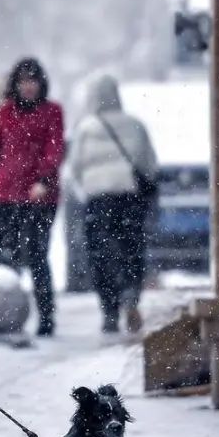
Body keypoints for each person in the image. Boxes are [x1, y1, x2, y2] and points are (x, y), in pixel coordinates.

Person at [0, 57, 65, 337]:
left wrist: (43, 179)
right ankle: (5, 314)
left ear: (41, 84)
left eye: (33, 81)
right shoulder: (4, 113)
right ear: (15, 85)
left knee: (37, 256)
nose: (28, 87)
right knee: (5, 258)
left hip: (39, 197)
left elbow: (55, 149)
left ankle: (46, 315)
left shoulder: (52, 112)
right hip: (7, 193)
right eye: (23, 81)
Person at [67, 75, 157, 333]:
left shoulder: (85, 128)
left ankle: (108, 309)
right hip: (129, 197)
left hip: (98, 200)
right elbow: (148, 164)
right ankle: (131, 295)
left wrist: (89, 187)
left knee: (100, 254)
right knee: (131, 249)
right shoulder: (135, 125)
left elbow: (75, 167)